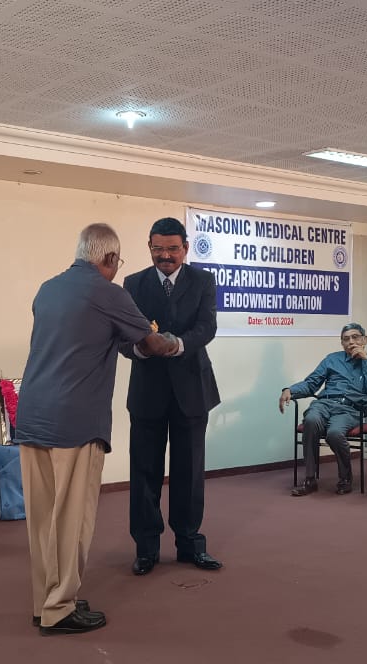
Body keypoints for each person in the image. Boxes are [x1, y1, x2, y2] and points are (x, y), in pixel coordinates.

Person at [16, 223, 177, 636]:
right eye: (117, 261)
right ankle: (60, 609)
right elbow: (150, 343)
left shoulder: (47, 289)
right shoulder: (108, 292)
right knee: (71, 519)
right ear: (108, 258)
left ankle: (44, 601)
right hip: (74, 421)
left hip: (31, 415)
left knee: (41, 519)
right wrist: (172, 342)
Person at [121, 216, 222, 576]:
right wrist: (143, 349)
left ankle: (190, 544)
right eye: (158, 249)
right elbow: (123, 335)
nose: (165, 256)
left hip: (191, 391)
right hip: (147, 392)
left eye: (173, 249)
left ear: (185, 248)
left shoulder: (203, 281)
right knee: (144, 473)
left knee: (189, 473)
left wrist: (177, 344)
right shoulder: (133, 283)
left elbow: (207, 327)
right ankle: (146, 549)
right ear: (149, 247)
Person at [280, 323, 367, 496]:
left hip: (350, 409)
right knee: (311, 420)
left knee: (334, 433)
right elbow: (312, 383)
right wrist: (290, 391)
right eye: (346, 339)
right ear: (342, 343)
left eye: (355, 337)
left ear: (364, 340)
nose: (351, 342)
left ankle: (345, 478)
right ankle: (310, 479)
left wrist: (365, 361)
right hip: (325, 403)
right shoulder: (332, 359)